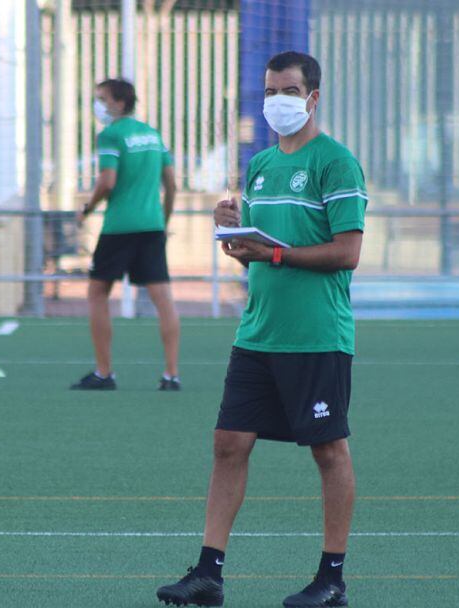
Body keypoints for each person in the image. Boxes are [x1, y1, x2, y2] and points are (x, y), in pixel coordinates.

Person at [156, 51, 366, 608]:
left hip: (317, 334)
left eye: (290, 91)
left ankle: (332, 579)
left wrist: (270, 254)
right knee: (228, 444)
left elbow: (346, 252)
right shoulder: (261, 165)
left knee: (328, 452)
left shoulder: (336, 162)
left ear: (313, 98)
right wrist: (234, 239)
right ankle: (208, 574)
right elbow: (257, 257)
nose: (279, 100)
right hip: (258, 333)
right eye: (272, 90)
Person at [71, 78, 181, 391]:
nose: (98, 105)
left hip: (119, 227)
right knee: (163, 298)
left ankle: (104, 373)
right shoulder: (154, 135)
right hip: (152, 226)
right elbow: (171, 183)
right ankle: (171, 374)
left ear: (119, 103)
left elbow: (107, 181)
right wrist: (164, 219)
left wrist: (87, 210)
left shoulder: (110, 135)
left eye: (102, 99)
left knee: (97, 293)